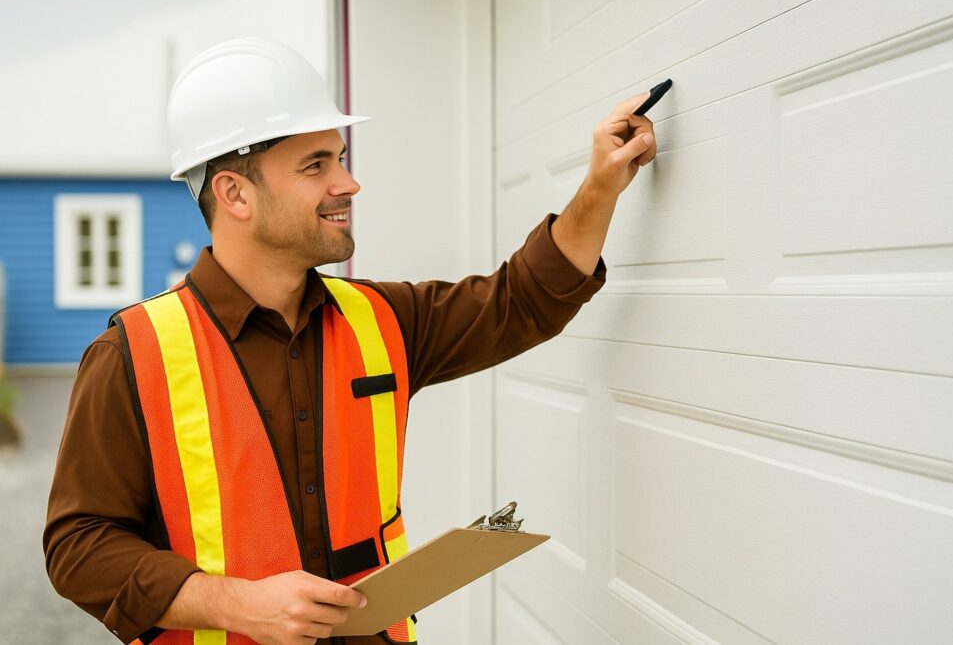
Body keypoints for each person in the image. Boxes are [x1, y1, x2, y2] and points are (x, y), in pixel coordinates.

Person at [43, 37, 658, 645]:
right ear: (235, 193)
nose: (348, 183)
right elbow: (78, 548)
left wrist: (600, 185)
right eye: (317, 165)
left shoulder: (382, 319)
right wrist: (238, 604)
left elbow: (521, 300)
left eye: (339, 158)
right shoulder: (133, 355)